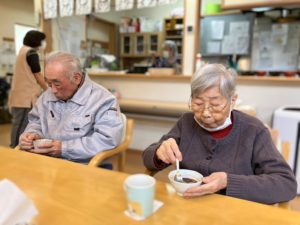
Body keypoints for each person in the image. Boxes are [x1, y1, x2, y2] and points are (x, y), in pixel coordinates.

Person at [143, 63, 297, 204]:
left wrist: (228, 181)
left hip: (235, 213)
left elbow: (286, 184)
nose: (206, 113)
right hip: (189, 207)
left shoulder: (254, 130)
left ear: (233, 100)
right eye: (198, 103)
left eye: (215, 105)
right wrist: (159, 153)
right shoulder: (186, 122)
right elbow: (147, 157)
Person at [19, 51, 123, 164]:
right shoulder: (46, 96)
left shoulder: (103, 99)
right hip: (48, 162)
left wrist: (64, 148)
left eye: (57, 84)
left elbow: (107, 139)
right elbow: (36, 122)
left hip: (86, 165)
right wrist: (32, 135)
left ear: (77, 78)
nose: (52, 90)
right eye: (49, 83)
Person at [9, 30, 48, 148]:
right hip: (25, 96)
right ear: (37, 41)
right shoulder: (31, 53)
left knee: (19, 123)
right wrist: (48, 89)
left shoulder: (22, 50)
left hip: (20, 94)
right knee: (21, 124)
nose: (43, 43)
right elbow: (37, 74)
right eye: (42, 40)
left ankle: (16, 147)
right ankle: (14, 148)